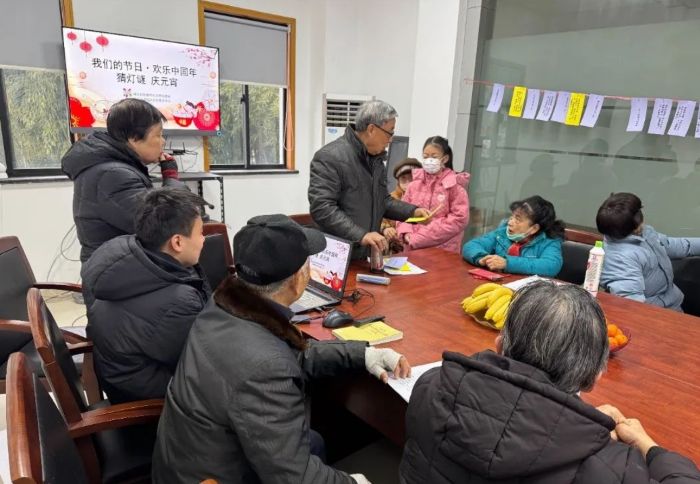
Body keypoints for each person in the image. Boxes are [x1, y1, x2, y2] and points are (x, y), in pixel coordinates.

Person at [152, 214, 411, 484]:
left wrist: (364, 354)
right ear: (298, 279)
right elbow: (294, 478)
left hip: (190, 457)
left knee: (315, 441)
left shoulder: (224, 304)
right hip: (217, 475)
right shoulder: (265, 367)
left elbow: (290, 353)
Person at [400, 281, 700, 483]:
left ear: (500, 344)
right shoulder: (613, 467)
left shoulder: (432, 386)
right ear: (594, 376)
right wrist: (648, 446)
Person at [81, 187, 210, 404]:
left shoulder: (127, 259)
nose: (204, 239)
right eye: (200, 233)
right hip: (148, 402)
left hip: (120, 379)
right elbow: (202, 362)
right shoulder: (178, 301)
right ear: (177, 242)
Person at [62, 98, 182, 265]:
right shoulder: (112, 175)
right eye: (158, 135)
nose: (163, 142)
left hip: (121, 265)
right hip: (120, 272)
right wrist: (171, 177)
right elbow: (163, 225)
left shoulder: (110, 167)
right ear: (134, 138)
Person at [308, 100, 430, 259]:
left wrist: (413, 212)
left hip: (365, 253)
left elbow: (383, 201)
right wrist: (361, 235)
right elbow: (322, 208)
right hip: (337, 255)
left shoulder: (375, 159)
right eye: (390, 132)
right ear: (372, 129)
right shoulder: (329, 157)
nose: (390, 139)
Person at [596, 192, 700, 311]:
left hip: (671, 304)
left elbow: (676, 246)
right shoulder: (620, 260)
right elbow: (633, 307)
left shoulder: (642, 233)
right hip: (657, 313)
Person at [395, 136, 469, 253]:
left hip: (442, 251)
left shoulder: (454, 186)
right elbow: (402, 212)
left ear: (445, 159)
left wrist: (419, 238)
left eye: (434, 157)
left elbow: (459, 219)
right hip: (412, 248)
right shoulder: (414, 184)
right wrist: (405, 233)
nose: (429, 160)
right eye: (425, 157)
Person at [462, 195, 565, 277]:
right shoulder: (502, 233)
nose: (510, 222)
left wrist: (507, 263)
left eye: (518, 219)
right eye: (512, 216)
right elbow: (471, 245)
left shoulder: (550, 242)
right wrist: (482, 258)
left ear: (534, 228)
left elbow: (551, 266)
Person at [380, 157, 422, 253]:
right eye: (403, 178)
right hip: (396, 252)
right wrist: (385, 229)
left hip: (422, 248)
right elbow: (377, 220)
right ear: (398, 180)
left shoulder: (428, 197)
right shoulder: (390, 199)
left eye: (411, 177)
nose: (408, 182)